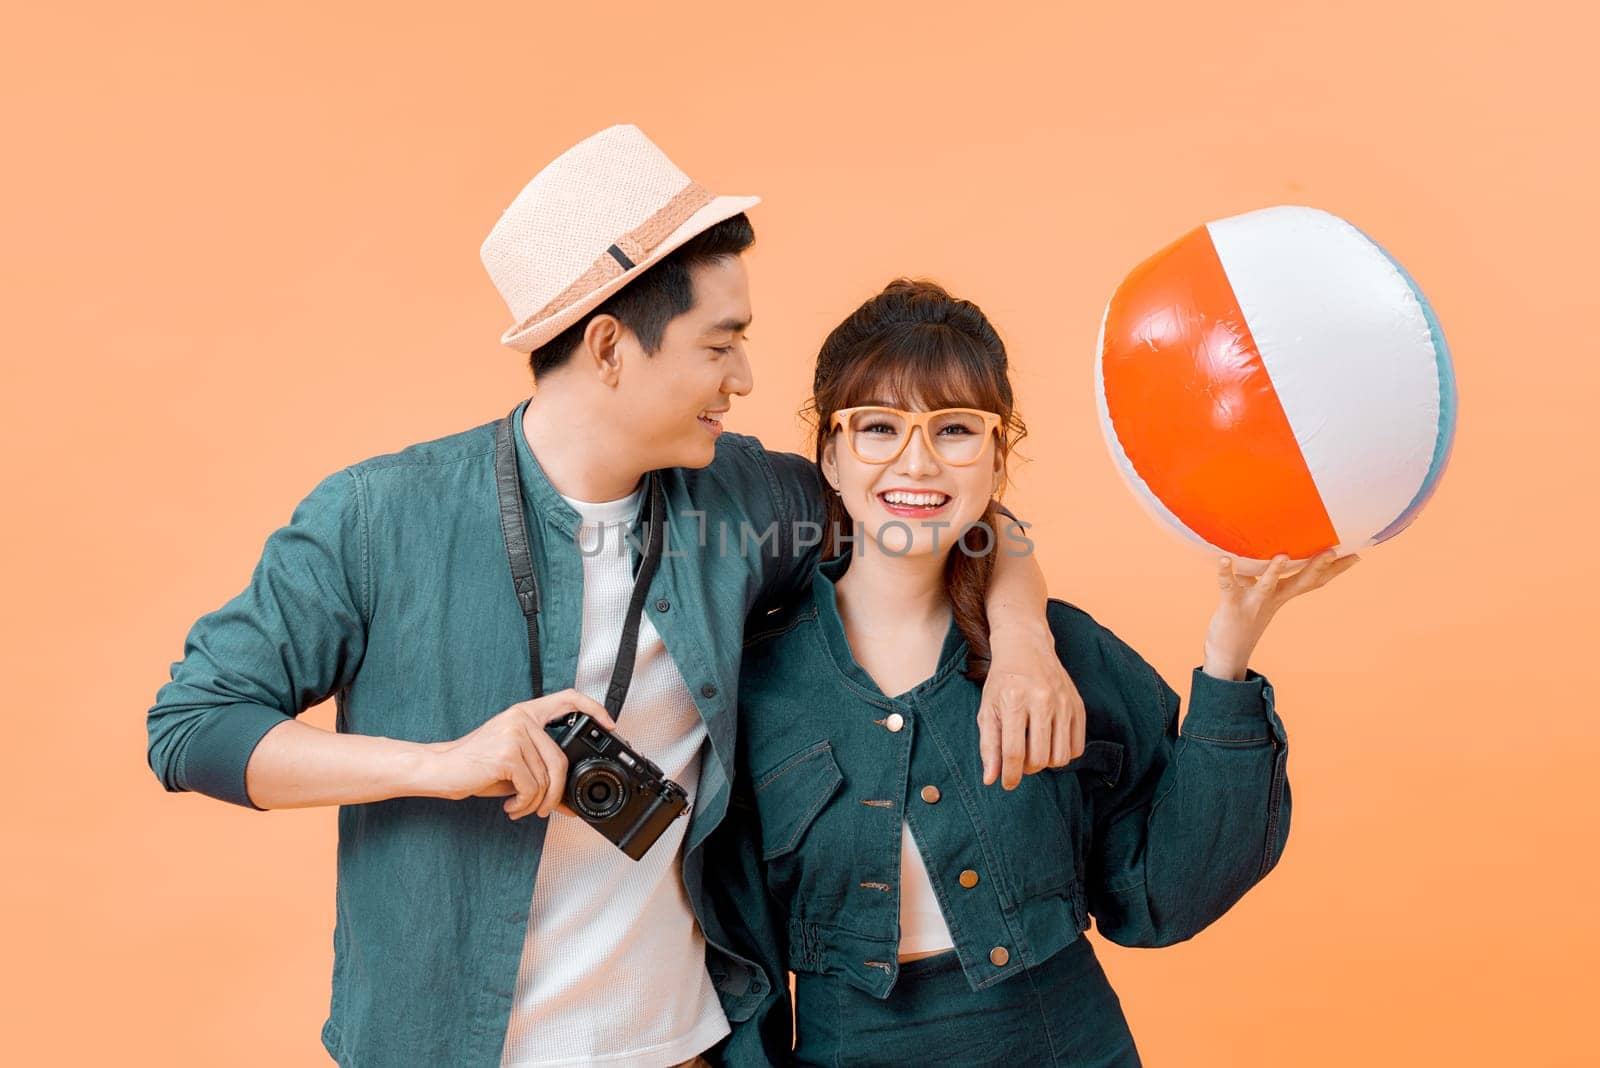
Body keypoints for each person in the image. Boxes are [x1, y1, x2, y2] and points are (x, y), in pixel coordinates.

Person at [144, 126, 1086, 1068]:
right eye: (721, 344)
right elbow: (192, 728)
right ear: (607, 347)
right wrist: (440, 764)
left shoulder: (745, 498)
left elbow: (938, 508)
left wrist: (1022, 637)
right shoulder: (379, 516)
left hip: (689, 1049)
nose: (746, 379)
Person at [703, 279, 1361, 1066]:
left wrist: (1229, 656)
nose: (917, 461)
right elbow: (738, 957)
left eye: (955, 430)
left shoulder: (1062, 653)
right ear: (832, 460)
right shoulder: (756, 683)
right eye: (878, 427)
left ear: (996, 463)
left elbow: (1165, 894)